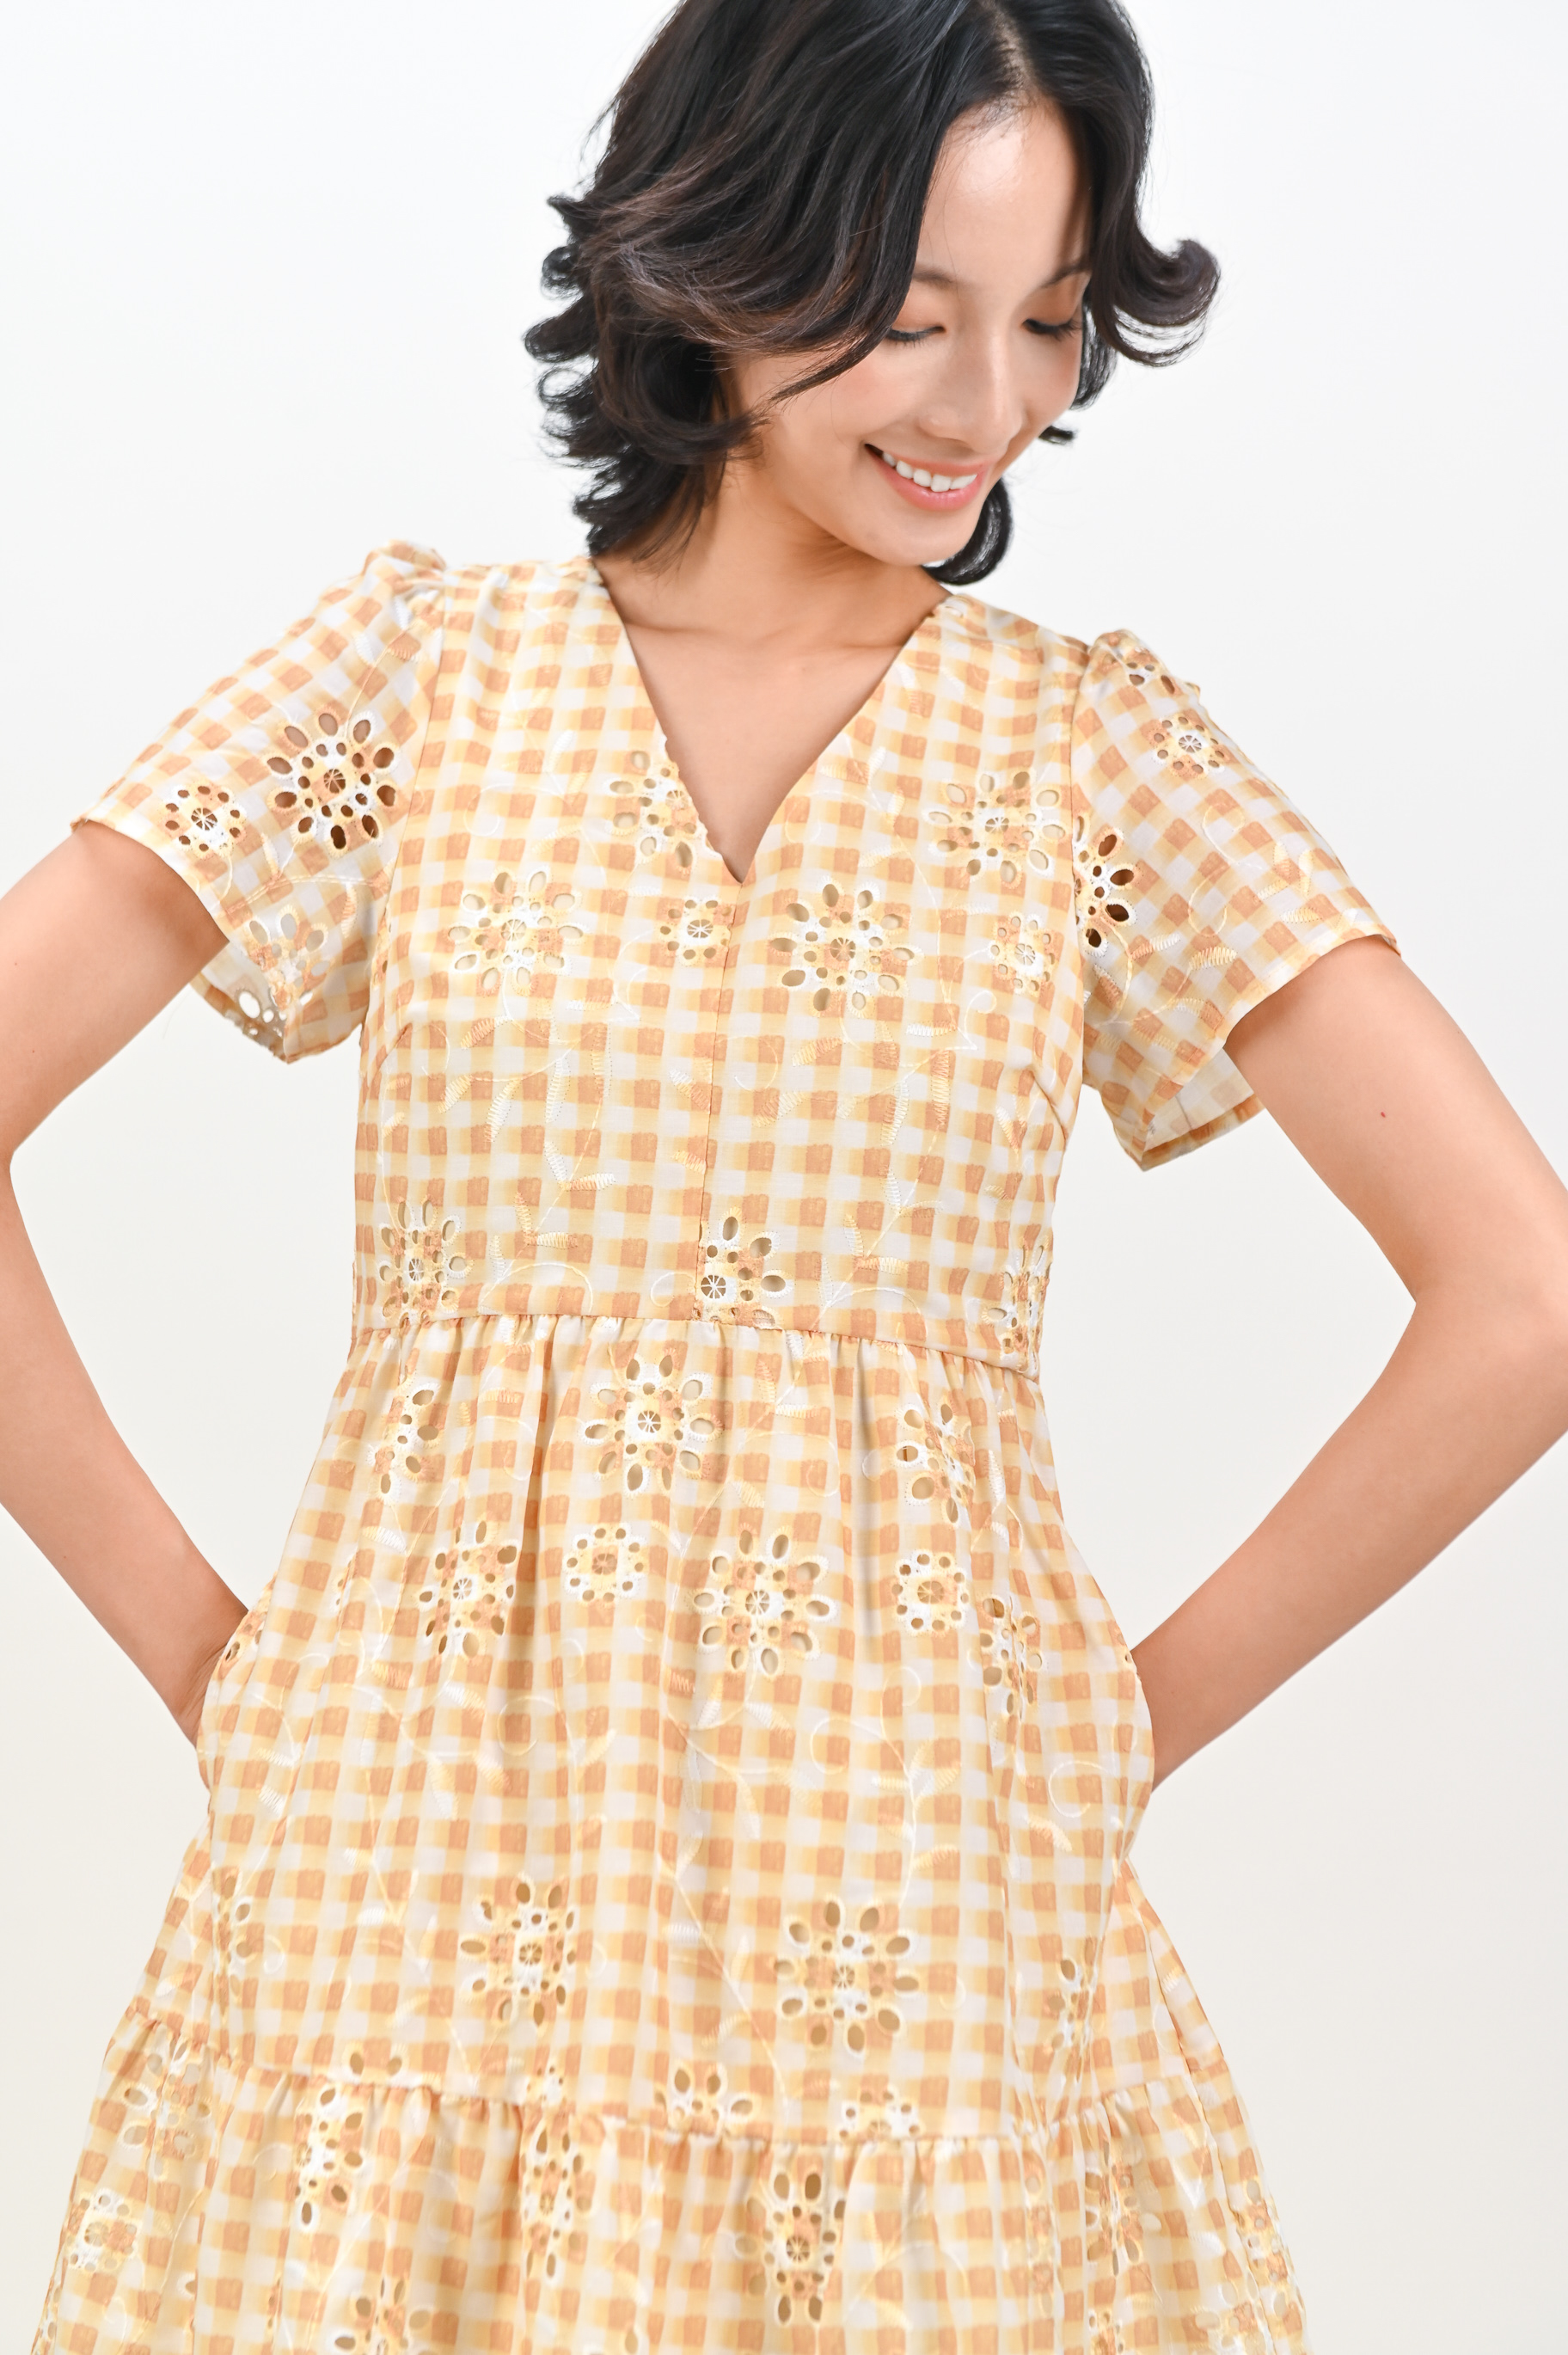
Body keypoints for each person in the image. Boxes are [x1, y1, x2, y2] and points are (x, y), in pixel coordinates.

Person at [14, 0, 1568, 2346]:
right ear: (717, 258)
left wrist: (1111, 1731)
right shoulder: (423, 681)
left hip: (912, 1921)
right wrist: (212, 1658)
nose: (987, 406)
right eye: (911, 314)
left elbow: (1519, 1293)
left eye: (1048, 321)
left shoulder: (1090, 758)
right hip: (395, 1892)